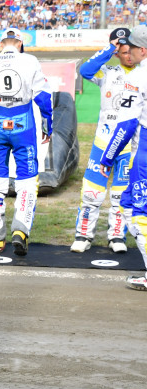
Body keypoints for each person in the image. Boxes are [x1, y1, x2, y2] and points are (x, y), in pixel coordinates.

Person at [0, 28, 53, 255]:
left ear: (2, 44)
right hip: (24, 127)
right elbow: (44, 99)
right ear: (19, 44)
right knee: (27, 180)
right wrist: (48, 125)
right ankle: (20, 230)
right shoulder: (29, 61)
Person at [71, 27, 138, 253]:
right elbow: (85, 69)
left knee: (120, 194)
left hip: (129, 144)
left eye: (130, 49)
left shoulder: (142, 73)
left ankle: (117, 236)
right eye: (122, 50)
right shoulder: (106, 71)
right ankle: (83, 235)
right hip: (103, 142)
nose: (126, 54)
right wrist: (110, 48)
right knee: (92, 192)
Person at [98, 25, 147, 290]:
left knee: (136, 211)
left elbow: (127, 125)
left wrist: (107, 157)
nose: (129, 52)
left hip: (144, 153)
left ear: (142, 50)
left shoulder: (138, 76)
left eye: (133, 47)